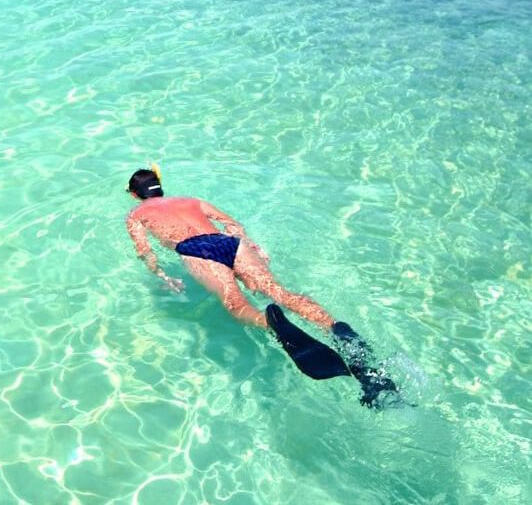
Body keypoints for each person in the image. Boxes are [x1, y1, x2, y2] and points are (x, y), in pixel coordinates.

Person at [125, 165, 400, 407]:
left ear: (135, 194)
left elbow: (144, 251)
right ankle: (334, 327)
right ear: (160, 187)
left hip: (195, 250)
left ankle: (270, 321)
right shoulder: (192, 200)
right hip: (229, 243)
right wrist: (252, 245)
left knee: (235, 304)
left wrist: (162, 275)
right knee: (280, 292)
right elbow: (231, 224)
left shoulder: (136, 214)